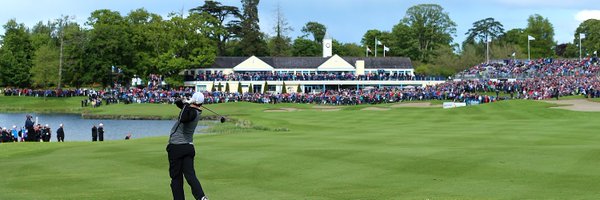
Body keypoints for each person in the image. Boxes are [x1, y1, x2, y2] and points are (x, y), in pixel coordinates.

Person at [166, 92, 208, 200]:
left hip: (177, 147)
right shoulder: (194, 110)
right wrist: (183, 101)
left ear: (193, 100)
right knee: (190, 175)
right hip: (188, 147)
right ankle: (201, 197)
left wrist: (186, 104)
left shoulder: (192, 112)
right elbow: (179, 104)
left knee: (176, 178)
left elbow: (182, 118)